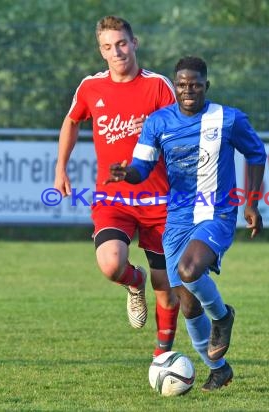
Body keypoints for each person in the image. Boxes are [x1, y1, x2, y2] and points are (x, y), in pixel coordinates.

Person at [106, 56, 266, 391]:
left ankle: (223, 317)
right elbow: (141, 167)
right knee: (187, 301)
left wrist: (251, 203)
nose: (188, 90)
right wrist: (127, 175)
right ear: (175, 86)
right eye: (181, 84)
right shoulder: (158, 122)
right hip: (177, 218)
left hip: (217, 212)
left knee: (191, 270)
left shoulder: (228, 118)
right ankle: (218, 369)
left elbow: (256, 153)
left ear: (206, 85)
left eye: (195, 84)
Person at [54, 16, 180, 358]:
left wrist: (159, 132)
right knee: (111, 265)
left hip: (159, 199)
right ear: (101, 50)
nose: (117, 52)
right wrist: (60, 167)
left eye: (122, 43)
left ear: (134, 43)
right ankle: (133, 283)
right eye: (108, 47)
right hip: (114, 198)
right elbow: (71, 121)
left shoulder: (158, 86)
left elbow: (181, 132)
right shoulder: (91, 87)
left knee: (165, 287)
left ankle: (162, 357)